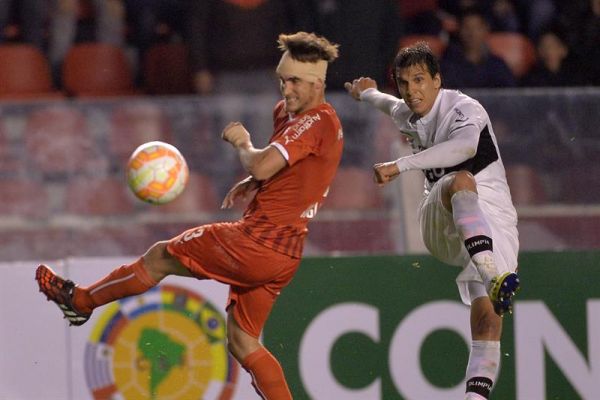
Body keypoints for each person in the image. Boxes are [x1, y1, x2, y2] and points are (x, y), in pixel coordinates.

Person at [36, 31, 342, 400]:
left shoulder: (316, 121)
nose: (286, 89)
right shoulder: (294, 115)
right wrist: (252, 183)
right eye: (282, 80)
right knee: (243, 342)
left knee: (161, 256)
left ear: (318, 82)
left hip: (257, 243)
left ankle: (81, 301)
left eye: (295, 81)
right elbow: (292, 173)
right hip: (285, 253)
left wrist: (242, 142)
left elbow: (263, 164)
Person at [345, 42, 520, 400]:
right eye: (404, 82)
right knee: (458, 181)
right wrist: (367, 93)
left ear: (438, 81)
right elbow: (389, 105)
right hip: (440, 219)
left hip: (493, 220)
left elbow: (465, 149)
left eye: (420, 80)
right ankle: (493, 277)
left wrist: (400, 165)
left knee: (488, 319)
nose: (412, 91)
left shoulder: (464, 109)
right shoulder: (408, 112)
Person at [440, 7, 517, 88]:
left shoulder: (498, 65)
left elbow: (510, 95)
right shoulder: (448, 66)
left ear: (486, 30)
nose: (472, 34)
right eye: (466, 28)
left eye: (477, 28)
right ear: (459, 31)